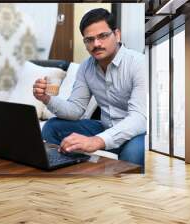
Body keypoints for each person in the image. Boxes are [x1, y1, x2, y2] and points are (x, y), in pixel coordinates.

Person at [32, 8, 147, 169]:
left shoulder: (139, 63)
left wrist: (96, 141)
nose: (96, 44)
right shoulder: (86, 67)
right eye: (89, 40)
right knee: (52, 127)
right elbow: (75, 110)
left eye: (103, 36)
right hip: (106, 126)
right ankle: (64, 177)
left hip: (138, 133)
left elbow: (139, 119)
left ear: (117, 34)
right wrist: (46, 98)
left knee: (133, 153)